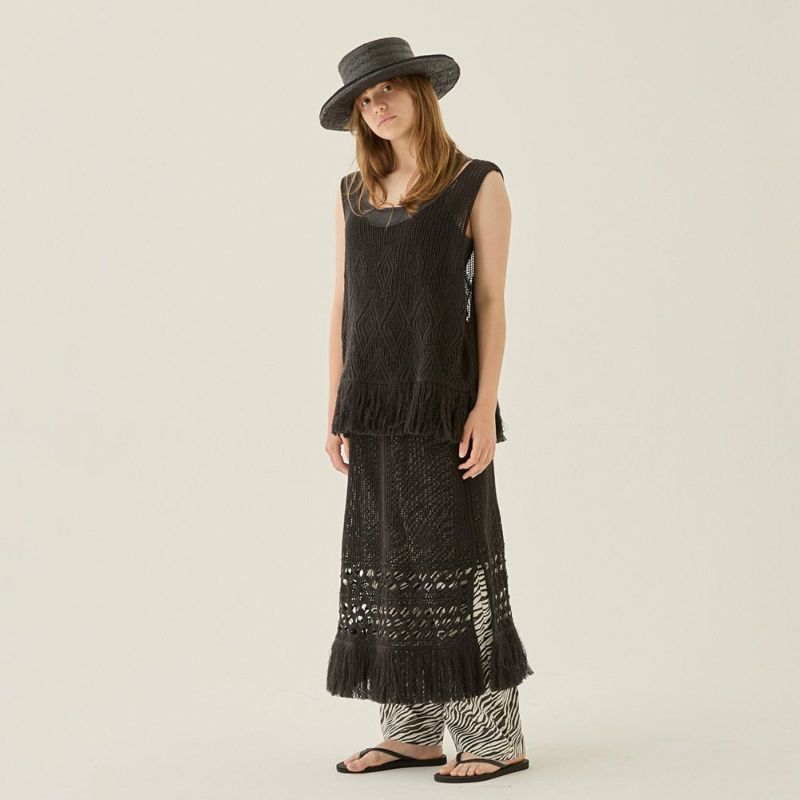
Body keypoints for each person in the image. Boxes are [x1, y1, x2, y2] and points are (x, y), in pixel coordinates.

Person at [320, 37, 534, 784]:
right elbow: (344, 303)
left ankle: (494, 735)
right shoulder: (352, 192)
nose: (376, 107)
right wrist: (335, 406)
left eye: (387, 90)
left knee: (457, 557)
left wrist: (485, 405)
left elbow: (492, 301)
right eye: (363, 100)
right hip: (373, 405)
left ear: (421, 93)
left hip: (444, 403)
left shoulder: (478, 182)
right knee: (388, 558)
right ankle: (410, 729)